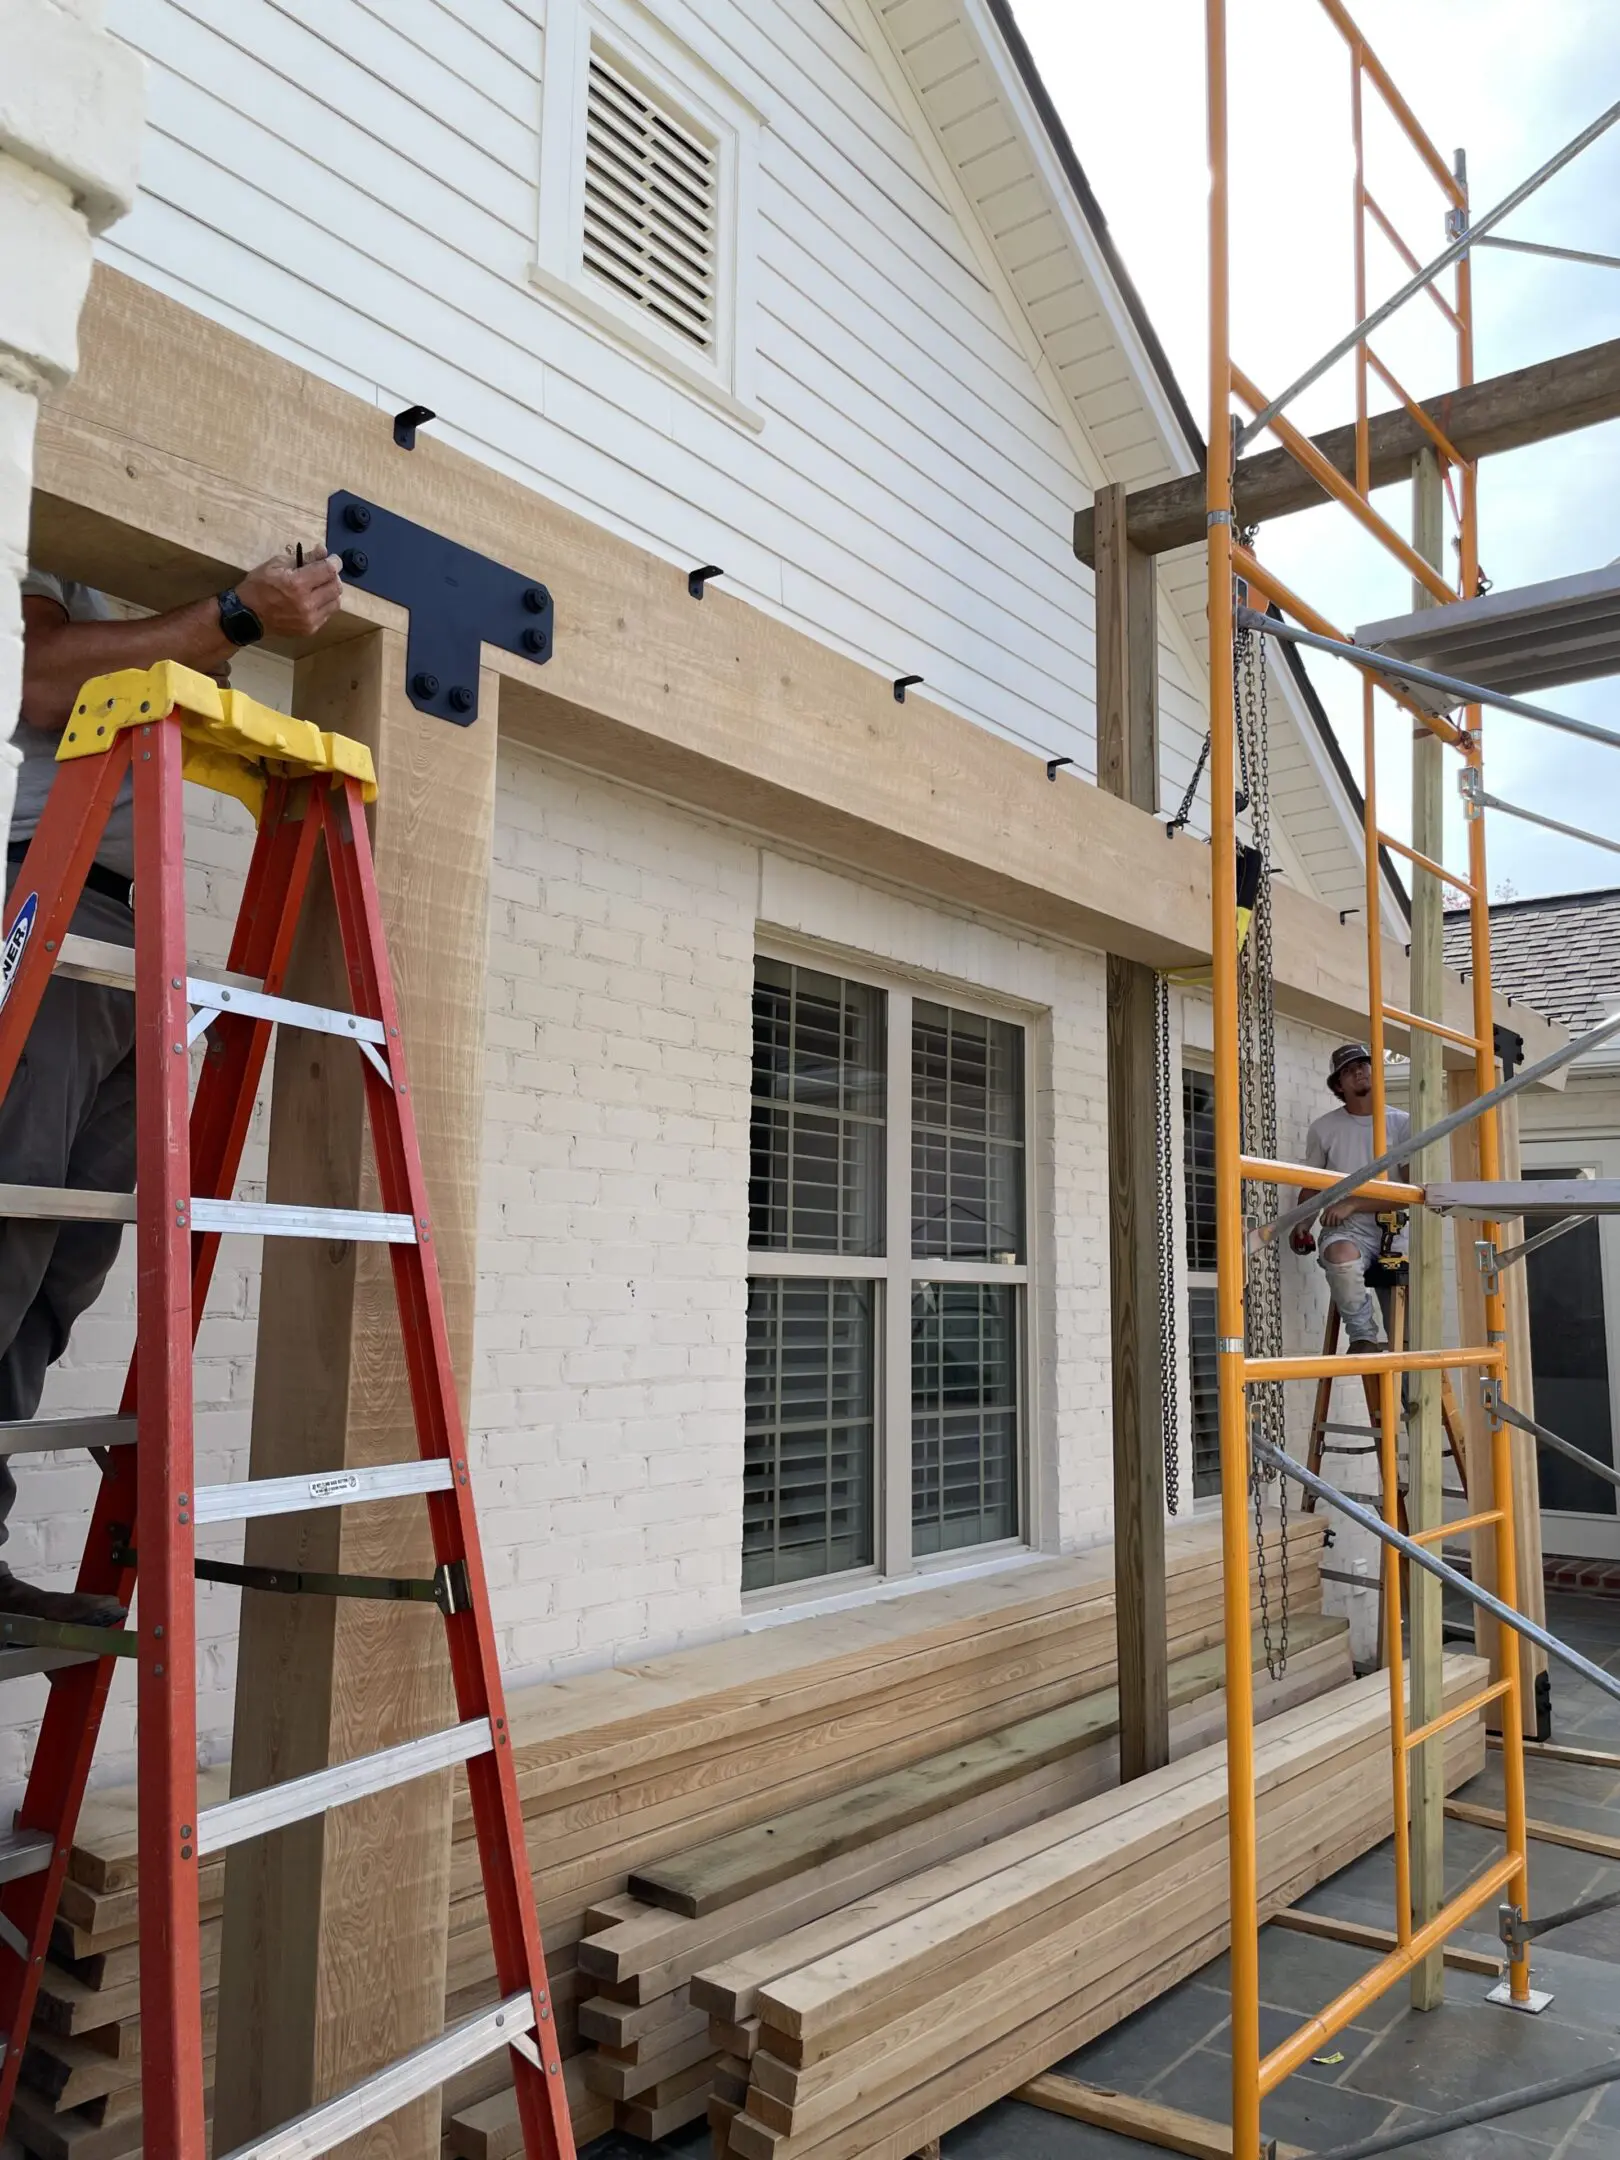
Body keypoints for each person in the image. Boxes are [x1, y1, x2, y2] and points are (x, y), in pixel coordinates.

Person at [0, 552, 344, 1626]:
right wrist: (233, 614)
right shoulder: (55, 537)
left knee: (61, 1268)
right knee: (7, 1235)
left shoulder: (150, 592)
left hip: (126, 928)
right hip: (36, 890)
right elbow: (37, 675)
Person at [1290, 1042, 1410, 1354]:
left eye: (1363, 1064)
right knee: (1340, 1256)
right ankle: (1362, 1338)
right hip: (1347, 1228)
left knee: (1407, 1336)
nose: (1358, 1071)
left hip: (1395, 1229)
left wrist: (1354, 1202)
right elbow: (1312, 1185)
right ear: (1338, 1085)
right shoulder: (1325, 1128)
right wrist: (1301, 1224)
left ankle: (1407, 1399)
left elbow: (1411, 1193)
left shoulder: (1402, 1123)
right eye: (1347, 1070)